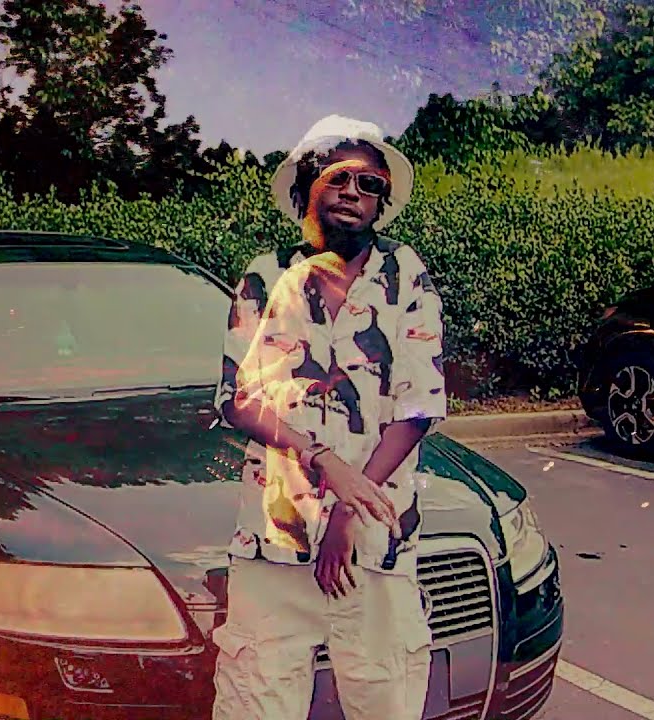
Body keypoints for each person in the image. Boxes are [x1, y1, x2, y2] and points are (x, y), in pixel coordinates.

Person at [210, 115, 447, 720]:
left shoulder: (405, 275)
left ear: (381, 204)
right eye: (339, 177)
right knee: (255, 700)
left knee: (386, 698)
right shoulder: (266, 276)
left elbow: (419, 403)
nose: (353, 193)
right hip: (275, 535)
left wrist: (347, 506)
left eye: (370, 185)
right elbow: (238, 397)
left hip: (375, 539)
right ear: (307, 185)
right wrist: (324, 464)